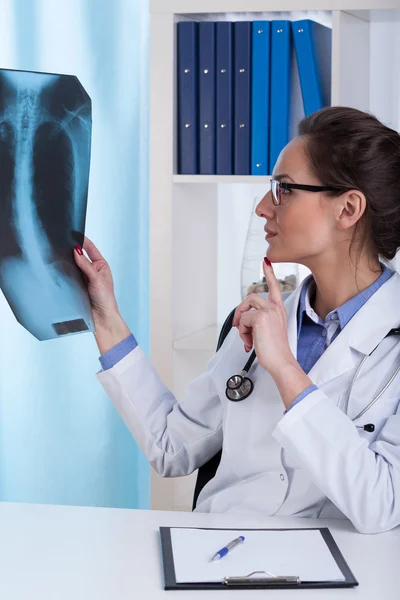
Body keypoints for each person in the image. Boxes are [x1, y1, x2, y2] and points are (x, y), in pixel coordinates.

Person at [74, 106, 400, 534]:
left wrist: (285, 368)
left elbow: (381, 506)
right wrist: (106, 316)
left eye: (283, 189)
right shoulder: (257, 318)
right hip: (217, 556)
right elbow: (172, 447)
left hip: (335, 576)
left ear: (348, 209)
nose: (263, 206)